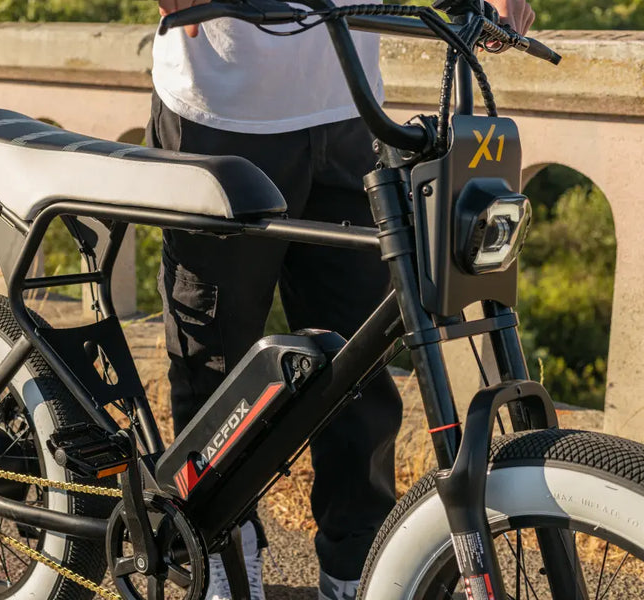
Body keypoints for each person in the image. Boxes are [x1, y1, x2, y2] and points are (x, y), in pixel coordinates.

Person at [147, 1, 535, 598]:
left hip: (348, 107)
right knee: (215, 364)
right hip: (220, 111)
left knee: (361, 368)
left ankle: (356, 566)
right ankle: (221, 552)